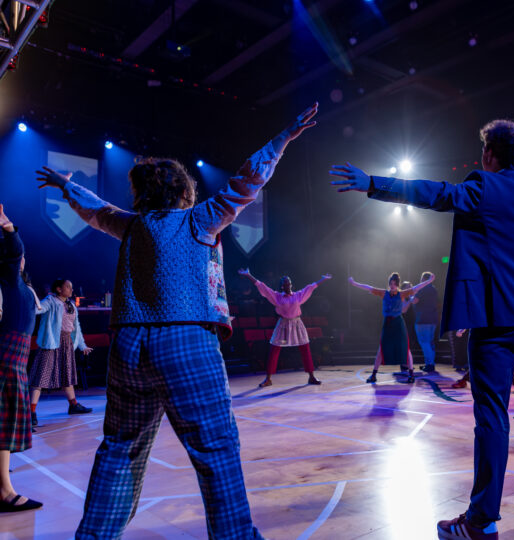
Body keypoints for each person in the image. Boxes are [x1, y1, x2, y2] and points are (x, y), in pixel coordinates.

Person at [331, 118, 514, 538]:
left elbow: (431, 193)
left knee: (493, 417)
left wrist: (371, 183)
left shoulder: (482, 188)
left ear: (489, 154)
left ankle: (481, 521)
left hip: (496, 325)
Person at [36, 103, 318, 540]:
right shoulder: (199, 219)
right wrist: (282, 138)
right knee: (216, 450)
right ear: (184, 191)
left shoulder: (130, 225)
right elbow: (248, 180)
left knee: (119, 451)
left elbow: (95, 208)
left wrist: (65, 187)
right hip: (184, 339)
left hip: (128, 347)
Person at [0, 204, 43, 513]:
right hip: (5, 359)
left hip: (14, 360)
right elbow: (15, 252)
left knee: (4, 427)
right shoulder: (10, 280)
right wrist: (9, 228)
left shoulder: (22, 287)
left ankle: (3, 486)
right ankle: (4, 490)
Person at [238, 269, 330, 387]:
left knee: (305, 349)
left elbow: (311, 287)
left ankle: (311, 377)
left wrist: (323, 279)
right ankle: (268, 378)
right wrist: (248, 275)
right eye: (285, 283)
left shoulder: (298, 295)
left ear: (291, 285)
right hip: (283, 325)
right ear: (281, 286)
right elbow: (263, 287)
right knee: (274, 350)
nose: (287, 285)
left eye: (289, 283)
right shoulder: (277, 297)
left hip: (297, 324)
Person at [349, 272, 435, 384]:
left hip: (398, 324)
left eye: (394, 283)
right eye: (391, 283)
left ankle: (411, 374)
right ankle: (374, 374)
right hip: (388, 324)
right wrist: (354, 283)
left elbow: (416, 288)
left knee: (406, 349)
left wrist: (428, 281)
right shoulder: (384, 293)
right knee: (381, 349)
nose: (392, 285)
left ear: (398, 284)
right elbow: (369, 288)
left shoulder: (402, 294)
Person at [28, 278, 93, 424]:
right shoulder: (51, 301)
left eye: (71, 287)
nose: (71, 289)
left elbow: (76, 329)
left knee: (67, 374)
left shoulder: (71, 306)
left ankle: (73, 405)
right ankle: (31, 412)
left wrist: (82, 346)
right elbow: (40, 308)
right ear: (59, 289)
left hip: (67, 342)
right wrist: (29, 300)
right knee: (41, 376)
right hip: (51, 342)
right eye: (68, 287)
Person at [413, 271, 439, 373]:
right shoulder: (433, 290)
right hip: (433, 319)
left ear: (424, 279)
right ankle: (430, 363)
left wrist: (410, 297)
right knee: (430, 342)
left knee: (424, 342)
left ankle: (430, 364)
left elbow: (415, 300)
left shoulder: (422, 289)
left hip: (423, 319)